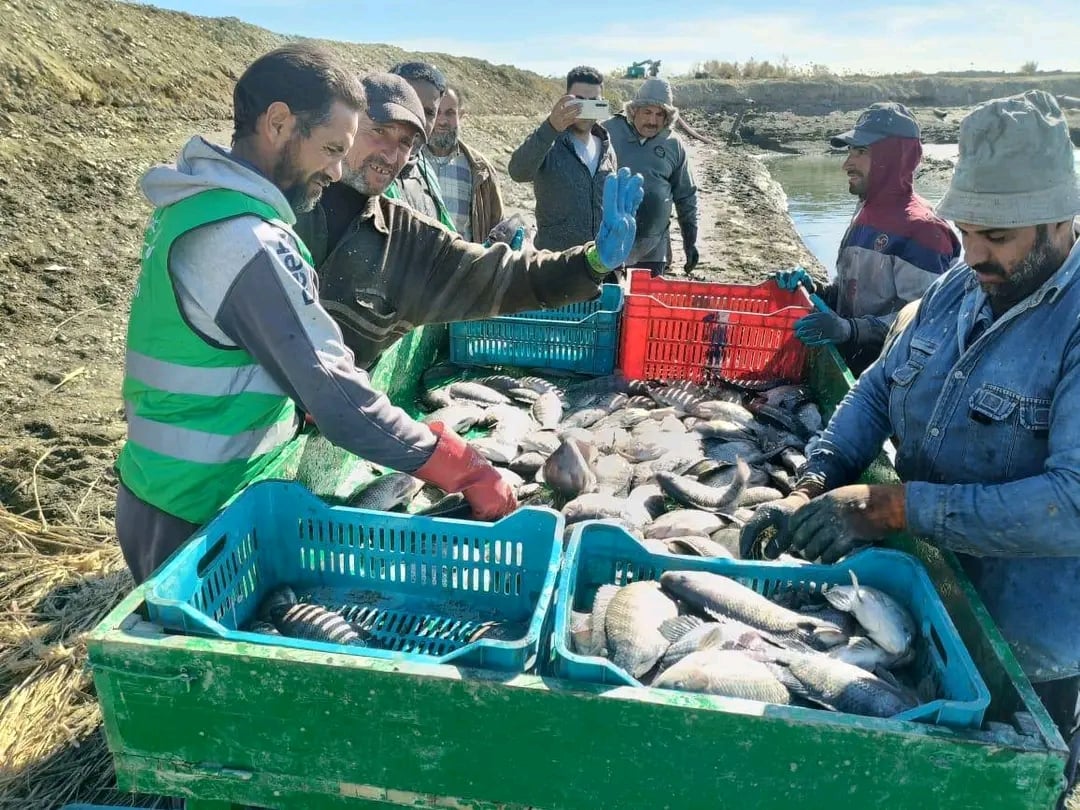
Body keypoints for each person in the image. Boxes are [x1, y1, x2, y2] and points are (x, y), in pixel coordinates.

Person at [743, 90, 1080, 783]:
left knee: (1005, 787)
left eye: (998, 238)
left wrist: (896, 508)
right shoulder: (960, 285)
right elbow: (876, 388)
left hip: (1030, 643)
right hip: (930, 600)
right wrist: (818, 475)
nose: (976, 254)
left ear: (1060, 224)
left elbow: (1071, 503)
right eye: (970, 230)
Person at [114, 46, 520, 585]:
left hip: (169, 487)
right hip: (192, 513)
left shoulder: (197, 204)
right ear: (278, 123)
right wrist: (456, 463)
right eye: (331, 148)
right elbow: (336, 394)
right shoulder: (245, 241)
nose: (335, 169)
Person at [294, 72, 644, 370]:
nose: (391, 153)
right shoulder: (283, 206)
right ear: (347, 129)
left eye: (405, 142)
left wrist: (594, 260)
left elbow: (507, 277)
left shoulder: (409, 238)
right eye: (379, 131)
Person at [775, 102, 960, 376]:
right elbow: (854, 293)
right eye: (850, 151)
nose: (846, 164)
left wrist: (849, 330)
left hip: (889, 379)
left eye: (860, 152)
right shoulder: (865, 210)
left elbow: (927, 321)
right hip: (853, 362)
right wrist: (817, 290)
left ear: (893, 157)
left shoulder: (923, 230)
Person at [508, 66, 618, 252]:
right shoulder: (548, 141)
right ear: (565, 99)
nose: (585, 108)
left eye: (593, 102)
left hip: (598, 262)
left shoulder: (606, 146)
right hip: (555, 264)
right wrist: (551, 127)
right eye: (579, 101)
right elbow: (518, 172)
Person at [603, 77, 699, 277]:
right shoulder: (607, 132)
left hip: (653, 249)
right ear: (633, 111)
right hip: (608, 242)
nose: (652, 121)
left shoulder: (673, 144)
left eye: (659, 114)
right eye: (647, 112)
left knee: (644, 305)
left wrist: (690, 242)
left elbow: (685, 196)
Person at [424, 86, 504, 242]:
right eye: (436, 112)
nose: (441, 121)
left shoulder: (480, 170)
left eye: (450, 113)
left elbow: (497, 228)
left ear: (461, 116)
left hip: (461, 264)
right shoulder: (408, 161)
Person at [384, 60, 456, 230]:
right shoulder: (365, 170)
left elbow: (444, 242)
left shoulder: (425, 171)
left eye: (429, 112)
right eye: (408, 105)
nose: (418, 119)